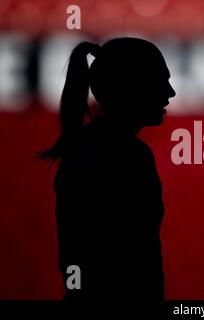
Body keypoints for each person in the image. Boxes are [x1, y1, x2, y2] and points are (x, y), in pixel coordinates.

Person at [37, 37, 176, 302]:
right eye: (159, 80)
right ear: (130, 88)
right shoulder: (126, 156)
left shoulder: (93, 149)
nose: (170, 93)